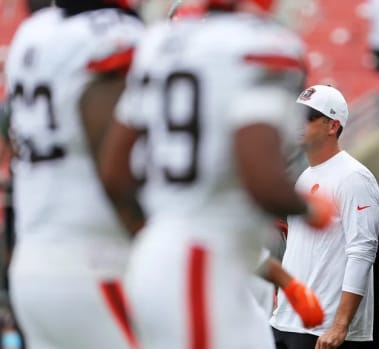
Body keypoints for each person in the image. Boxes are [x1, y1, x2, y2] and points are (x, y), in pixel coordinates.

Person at [98, 1, 335, 348]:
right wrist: (310, 209)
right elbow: (263, 179)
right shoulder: (259, 44)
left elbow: (114, 173)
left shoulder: (157, 45)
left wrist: (159, 236)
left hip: (166, 253)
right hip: (201, 263)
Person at [4, 1, 143, 348]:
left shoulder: (34, 31)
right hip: (98, 264)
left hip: (33, 263)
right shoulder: (112, 33)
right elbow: (115, 171)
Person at [270, 85, 379, 349]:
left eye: (307, 117)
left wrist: (340, 325)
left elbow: (362, 251)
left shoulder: (354, 177)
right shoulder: (305, 177)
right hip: (288, 320)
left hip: (325, 331)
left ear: (332, 126)